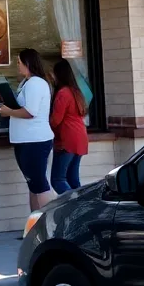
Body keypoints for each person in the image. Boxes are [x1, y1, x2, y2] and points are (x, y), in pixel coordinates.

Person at [0, 48, 57, 211]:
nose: (18, 66)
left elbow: (30, 112)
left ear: (28, 63)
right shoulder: (27, 83)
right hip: (25, 140)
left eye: (19, 62)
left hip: (34, 140)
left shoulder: (36, 83)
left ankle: (50, 224)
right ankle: (34, 226)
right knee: (33, 184)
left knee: (39, 184)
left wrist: (9, 112)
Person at [49, 60, 88, 194]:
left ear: (59, 75)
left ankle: (73, 207)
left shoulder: (63, 93)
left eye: (53, 74)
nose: (52, 77)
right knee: (73, 179)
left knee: (58, 180)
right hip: (80, 137)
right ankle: (82, 208)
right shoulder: (76, 91)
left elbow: (55, 120)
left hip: (67, 139)